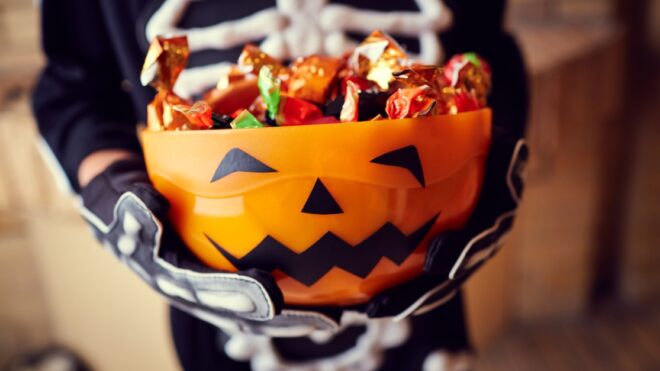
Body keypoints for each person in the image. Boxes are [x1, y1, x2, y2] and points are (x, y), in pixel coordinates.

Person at [32, 0, 528, 370]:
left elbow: (490, 50)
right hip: (220, 315)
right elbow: (75, 90)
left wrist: (489, 167)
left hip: (422, 283)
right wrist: (116, 197)